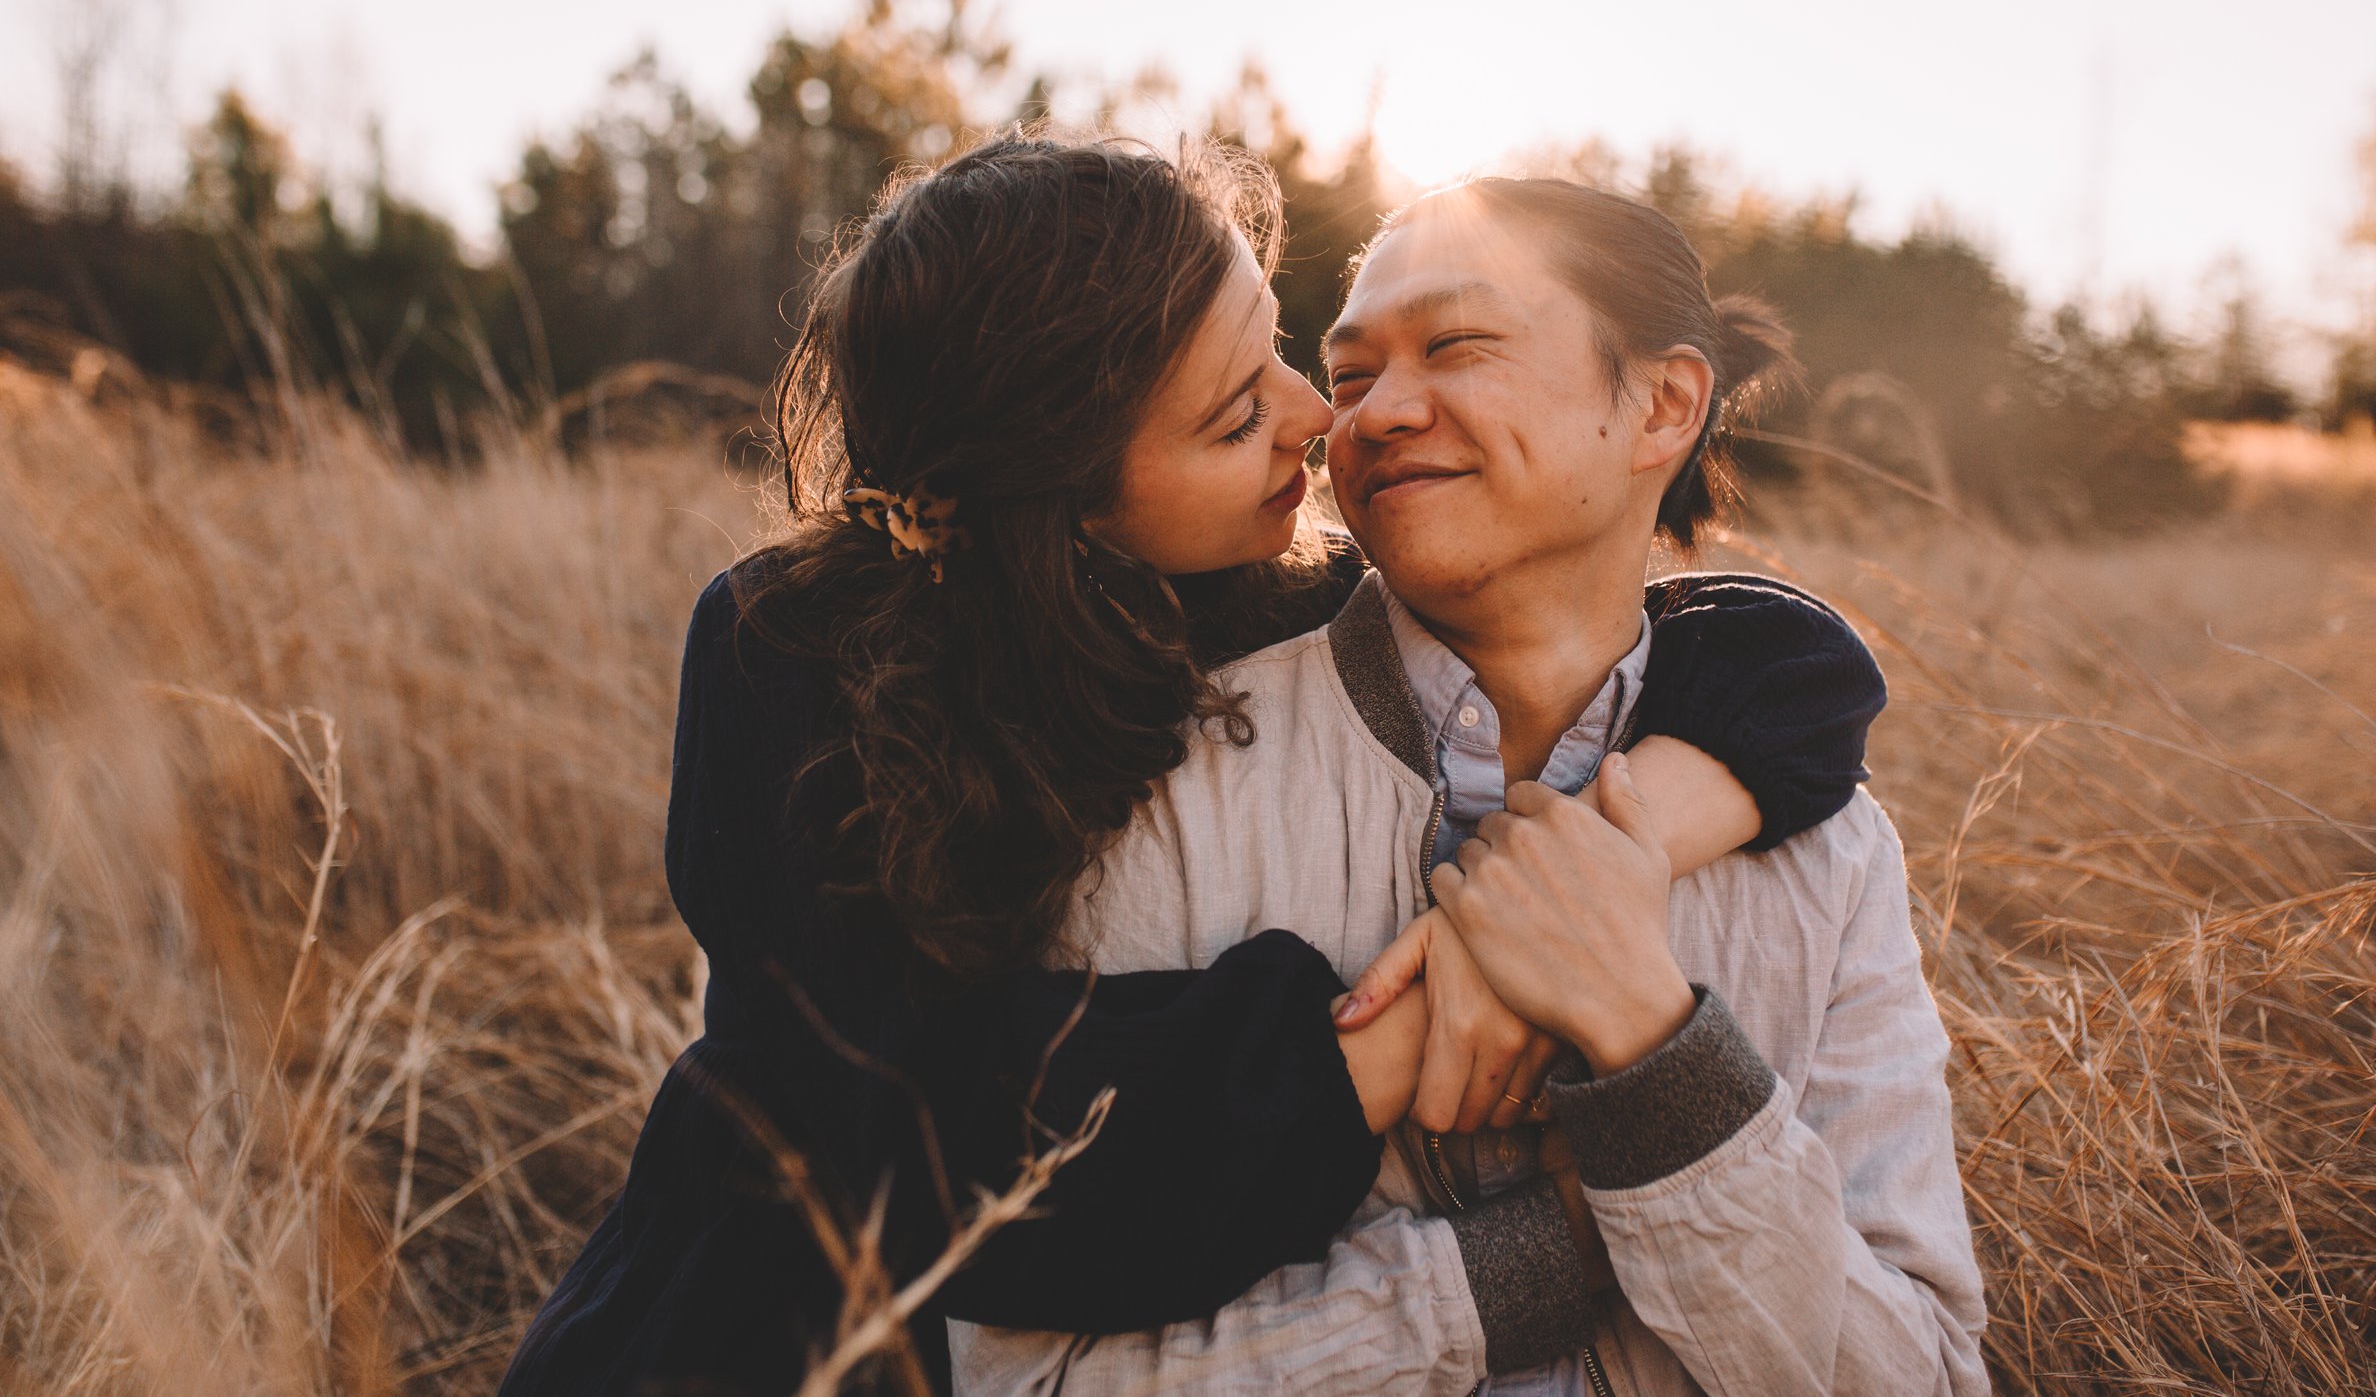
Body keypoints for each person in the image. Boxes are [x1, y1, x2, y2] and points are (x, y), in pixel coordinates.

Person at [496, 139, 1890, 1396]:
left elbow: (1781, 662)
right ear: (1071, 510)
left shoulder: (1242, 580)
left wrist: (1617, 847)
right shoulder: (790, 660)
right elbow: (942, 1148)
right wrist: (1433, 1011)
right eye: (1237, 416)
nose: (1319, 420)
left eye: (1286, 353)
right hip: (765, 1337)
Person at [953, 176, 1987, 1395]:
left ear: (1662, 404)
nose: (1376, 413)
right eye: (1346, 377)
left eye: (1455, 345)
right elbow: (1026, 1375)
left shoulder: (1827, 852)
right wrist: (1519, 1269)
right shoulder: (1162, 784)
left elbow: (1922, 1375)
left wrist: (1658, 1057)